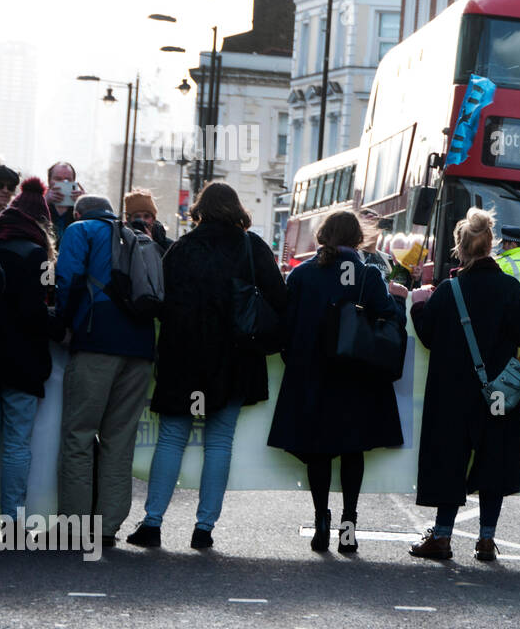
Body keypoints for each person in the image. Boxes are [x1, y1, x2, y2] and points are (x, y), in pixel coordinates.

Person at [125, 182, 287, 550]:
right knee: (218, 443)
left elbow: (161, 301)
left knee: (171, 439)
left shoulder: (182, 248)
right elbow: (280, 298)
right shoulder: (251, 246)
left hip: (184, 359)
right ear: (237, 209)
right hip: (234, 359)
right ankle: (204, 528)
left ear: (200, 209)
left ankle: (152, 524)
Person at [408, 208, 520, 562]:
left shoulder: (448, 289)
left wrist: (418, 306)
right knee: (494, 461)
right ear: (491, 245)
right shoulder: (510, 288)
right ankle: (486, 540)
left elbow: (426, 336)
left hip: (452, 392)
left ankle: (441, 537)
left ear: (461, 249)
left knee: (450, 460)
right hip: (497, 391)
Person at [268, 210, 406, 552]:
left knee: (319, 451)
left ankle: (321, 521)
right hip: (356, 375)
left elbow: (286, 326)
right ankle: (348, 527)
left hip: (313, 375)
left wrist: (295, 359)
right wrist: (400, 300)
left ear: (322, 236)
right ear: (358, 239)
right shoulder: (368, 275)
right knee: (351, 451)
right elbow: (390, 320)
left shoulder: (301, 275)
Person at [55, 194, 156, 547]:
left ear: (81, 212)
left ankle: (75, 526)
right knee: (119, 439)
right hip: (141, 347)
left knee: (79, 436)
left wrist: (64, 324)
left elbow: (66, 279)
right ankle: (108, 526)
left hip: (97, 342)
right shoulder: (135, 233)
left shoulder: (79, 229)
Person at [0, 178, 58, 523]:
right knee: (17, 444)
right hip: (21, 362)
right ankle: (11, 518)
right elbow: (41, 309)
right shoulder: (38, 254)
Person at [123, 188, 172, 255]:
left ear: (153, 219)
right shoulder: (122, 242)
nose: (142, 221)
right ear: (129, 220)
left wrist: (150, 243)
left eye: (146, 216)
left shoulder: (168, 246)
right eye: (137, 217)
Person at [45, 162, 83, 243]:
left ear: (74, 182)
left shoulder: (81, 208)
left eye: (68, 180)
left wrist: (84, 204)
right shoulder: (38, 205)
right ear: (49, 181)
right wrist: (44, 201)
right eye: (58, 179)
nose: (64, 183)